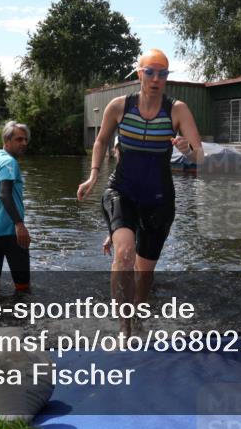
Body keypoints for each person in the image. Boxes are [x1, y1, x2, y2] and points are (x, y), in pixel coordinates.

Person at [78, 49, 203, 333]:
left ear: (167, 78)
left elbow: (201, 156)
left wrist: (189, 150)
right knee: (124, 253)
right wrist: (93, 176)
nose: (156, 78)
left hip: (159, 199)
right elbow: (100, 142)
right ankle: (124, 328)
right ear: (139, 74)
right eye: (150, 72)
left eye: (162, 73)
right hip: (121, 189)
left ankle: (137, 319)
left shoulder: (178, 110)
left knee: (144, 272)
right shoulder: (118, 106)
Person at [0, 121, 32, 294]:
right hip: (9, 231)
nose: (24, 143)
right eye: (19, 139)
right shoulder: (9, 163)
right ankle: (21, 319)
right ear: (7, 140)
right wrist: (19, 224)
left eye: (25, 139)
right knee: (23, 287)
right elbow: (5, 194)